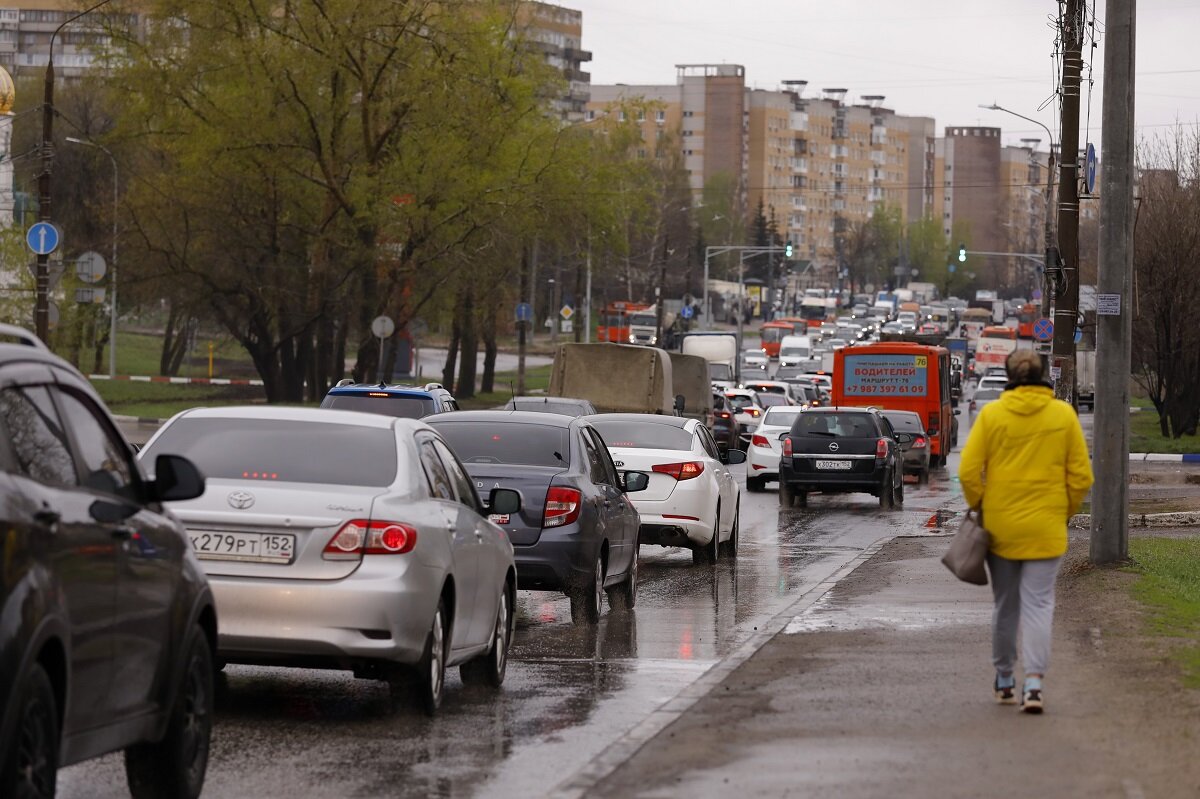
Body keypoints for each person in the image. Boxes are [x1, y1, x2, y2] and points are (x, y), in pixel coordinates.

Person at [958, 349, 1093, 714]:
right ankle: (1034, 684)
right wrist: (1063, 511)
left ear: (1009, 376)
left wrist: (983, 506)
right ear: (1043, 374)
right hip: (1046, 529)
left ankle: (1004, 678)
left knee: (1006, 606)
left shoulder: (992, 415)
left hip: (1001, 530)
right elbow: (1082, 477)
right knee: (1039, 606)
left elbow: (968, 472)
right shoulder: (1063, 415)